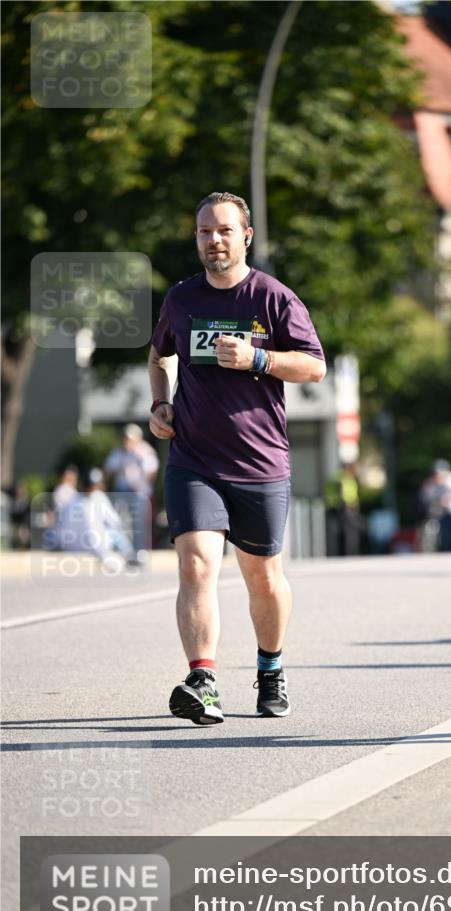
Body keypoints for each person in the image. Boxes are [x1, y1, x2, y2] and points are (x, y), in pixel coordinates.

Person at [148, 191, 326, 725]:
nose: (214, 240)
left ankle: (270, 670)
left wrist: (259, 357)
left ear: (245, 235)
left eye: (224, 230)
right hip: (193, 458)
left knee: (262, 576)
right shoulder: (181, 299)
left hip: (259, 462)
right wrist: (160, 402)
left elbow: (314, 367)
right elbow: (160, 355)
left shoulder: (273, 298)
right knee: (195, 562)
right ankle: (203, 680)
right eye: (204, 231)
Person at [53, 467, 137, 569]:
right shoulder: (98, 497)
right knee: (115, 531)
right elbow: (115, 521)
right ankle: (130, 555)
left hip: (72, 546)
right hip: (96, 547)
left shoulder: (71, 499)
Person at [104, 424, 159, 553]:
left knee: (139, 524)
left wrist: (139, 484)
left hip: (140, 493)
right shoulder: (119, 452)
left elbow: (151, 473)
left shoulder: (145, 451)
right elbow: (108, 469)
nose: (126, 441)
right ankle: (124, 549)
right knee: (117, 520)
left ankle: (141, 551)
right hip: (122, 491)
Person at [418, 460, 451, 552]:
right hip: (443, 515)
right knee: (446, 541)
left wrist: (448, 500)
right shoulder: (431, 483)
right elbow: (425, 497)